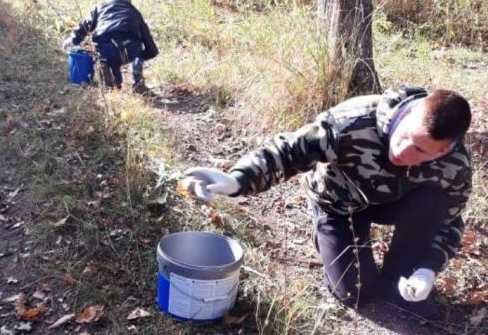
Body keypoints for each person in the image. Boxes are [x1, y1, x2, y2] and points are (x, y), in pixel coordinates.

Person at [182, 87, 472, 317]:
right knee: (356, 293)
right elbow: (288, 151)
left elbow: (451, 220)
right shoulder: (354, 121)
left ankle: (399, 279)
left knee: (434, 201)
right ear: (410, 113)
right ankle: (327, 233)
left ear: (442, 151)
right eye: (405, 135)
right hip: (339, 203)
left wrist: (428, 269)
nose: (402, 150)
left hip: (392, 202)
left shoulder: (455, 164)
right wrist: (238, 180)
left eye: (420, 150)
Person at [62, 0, 158, 93]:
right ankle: (137, 78)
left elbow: (85, 25)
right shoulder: (134, 11)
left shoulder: (100, 7)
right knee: (136, 55)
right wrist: (145, 54)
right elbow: (146, 35)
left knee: (110, 67)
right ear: (129, 2)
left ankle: (110, 79)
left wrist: (73, 40)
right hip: (130, 44)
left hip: (105, 42)